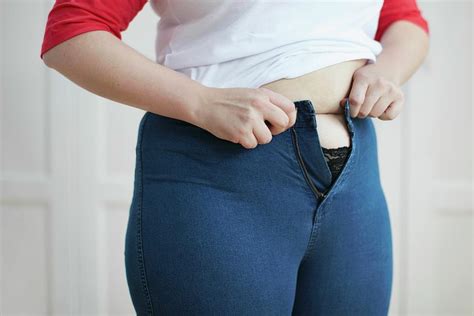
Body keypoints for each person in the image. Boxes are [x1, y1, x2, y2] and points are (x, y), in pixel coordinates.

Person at [40, 0, 430, 314]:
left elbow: (403, 18)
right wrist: (200, 101)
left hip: (354, 178)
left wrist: (389, 72)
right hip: (219, 172)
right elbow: (73, 33)